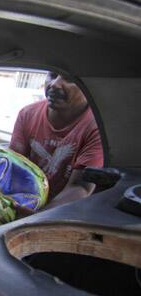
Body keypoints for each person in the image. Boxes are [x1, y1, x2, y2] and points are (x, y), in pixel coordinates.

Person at [9, 71, 103, 211]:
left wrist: (39, 216)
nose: (55, 84)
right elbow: (11, 164)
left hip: (60, 214)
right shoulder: (27, 114)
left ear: (88, 88)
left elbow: (81, 187)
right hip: (22, 204)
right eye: (52, 75)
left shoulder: (96, 128)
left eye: (69, 78)